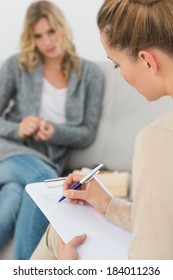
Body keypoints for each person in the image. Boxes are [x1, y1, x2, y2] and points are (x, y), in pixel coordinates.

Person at [31, 0, 173, 260]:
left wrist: (73, 272)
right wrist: (109, 205)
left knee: (59, 237)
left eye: (117, 64)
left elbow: (152, 267)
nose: (119, 74)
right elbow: (163, 221)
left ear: (147, 60)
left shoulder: (159, 138)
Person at [0, 0, 104, 259]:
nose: (47, 41)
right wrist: (19, 128)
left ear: (63, 28)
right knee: (43, 180)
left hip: (44, 162)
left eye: (51, 31)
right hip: (9, 152)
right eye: (38, 35)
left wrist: (55, 132)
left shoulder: (90, 74)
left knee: (14, 195)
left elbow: (86, 132)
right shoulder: (17, 66)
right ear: (31, 39)